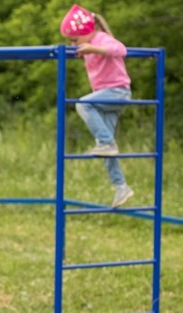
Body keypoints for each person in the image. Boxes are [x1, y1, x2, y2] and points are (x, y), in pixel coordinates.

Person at [60, 4, 135, 208]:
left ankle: (106, 143)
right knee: (106, 148)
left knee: (83, 105)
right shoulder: (87, 44)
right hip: (105, 98)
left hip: (117, 92)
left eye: (75, 40)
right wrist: (84, 50)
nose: (74, 44)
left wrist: (94, 48)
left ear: (86, 32)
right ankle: (121, 187)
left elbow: (121, 49)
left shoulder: (100, 39)